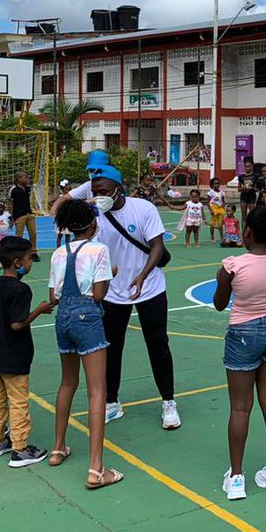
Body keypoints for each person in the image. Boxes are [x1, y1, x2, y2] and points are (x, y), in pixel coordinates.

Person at [214, 204, 266, 500]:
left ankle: (236, 477)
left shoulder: (233, 265)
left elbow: (220, 303)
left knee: (240, 407)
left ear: (247, 232)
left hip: (243, 332)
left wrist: (221, 280)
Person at [90, 169, 179, 431]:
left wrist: (142, 275)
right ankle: (111, 402)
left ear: (118, 188)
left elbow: (157, 246)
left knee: (158, 343)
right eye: (95, 192)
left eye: (104, 191)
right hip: (113, 291)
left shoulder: (143, 209)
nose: (99, 197)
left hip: (149, 286)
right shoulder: (95, 216)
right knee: (111, 347)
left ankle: (168, 402)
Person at [47, 199, 122, 489]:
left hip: (63, 317)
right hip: (87, 317)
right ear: (93, 224)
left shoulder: (58, 253)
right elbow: (100, 293)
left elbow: (54, 295)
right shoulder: (99, 250)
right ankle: (96, 468)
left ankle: (58, 448)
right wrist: (111, 273)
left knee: (67, 382)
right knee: (97, 391)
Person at [0, 236, 53, 467]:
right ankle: (20, 448)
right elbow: (17, 323)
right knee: (18, 400)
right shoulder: (21, 289)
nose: (30, 262)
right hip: (14, 354)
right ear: (17, 262)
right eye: (28, 259)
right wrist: (40, 310)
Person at [8, 171, 39, 262]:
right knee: (19, 236)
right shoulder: (14, 190)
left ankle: (34, 252)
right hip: (19, 215)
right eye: (25, 177)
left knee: (33, 234)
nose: (27, 179)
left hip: (29, 213)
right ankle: (18, 253)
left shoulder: (27, 188)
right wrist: (11, 216)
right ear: (19, 179)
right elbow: (11, 204)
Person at [208, 177, 226, 242]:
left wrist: (224, 209)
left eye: (218, 183)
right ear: (212, 185)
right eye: (215, 184)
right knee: (212, 224)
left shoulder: (221, 192)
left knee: (220, 224)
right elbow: (207, 202)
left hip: (220, 208)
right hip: (214, 208)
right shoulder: (211, 192)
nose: (217, 185)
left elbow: (223, 202)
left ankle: (222, 237)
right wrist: (211, 210)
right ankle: (212, 237)